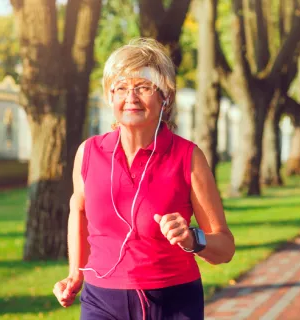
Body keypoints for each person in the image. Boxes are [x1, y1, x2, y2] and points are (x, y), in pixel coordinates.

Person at [53, 38, 235, 320]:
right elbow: (79, 210)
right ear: (110, 97)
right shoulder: (88, 153)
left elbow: (224, 248)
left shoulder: (188, 157)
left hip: (173, 301)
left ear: (165, 96)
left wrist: (191, 239)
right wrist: (75, 274)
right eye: (121, 88)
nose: (131, 98)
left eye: (143, 87)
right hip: (101, 301)